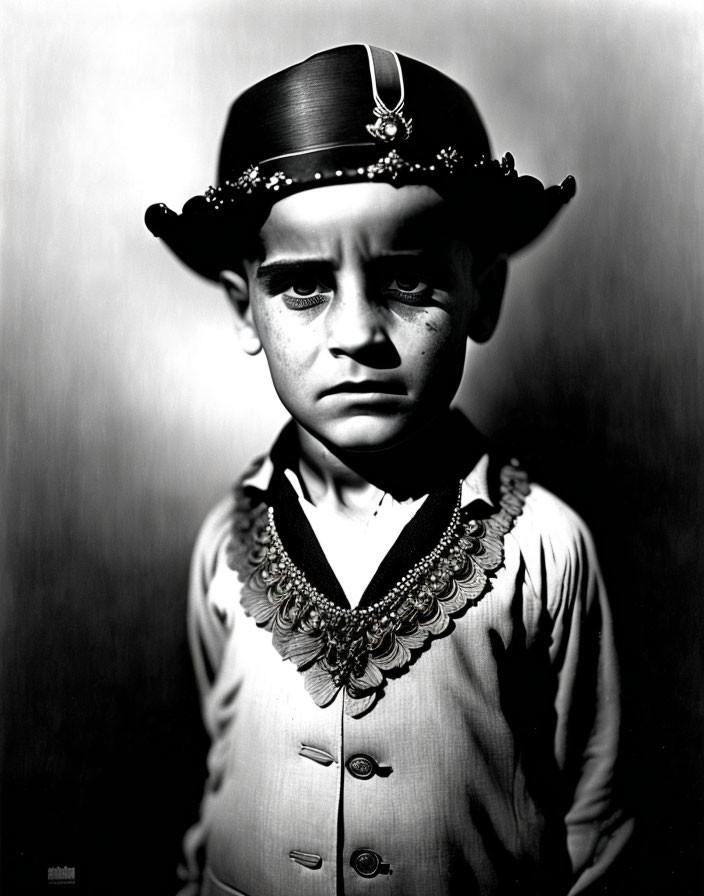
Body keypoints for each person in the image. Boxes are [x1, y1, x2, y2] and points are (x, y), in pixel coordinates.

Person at [145, 44, 632, 896]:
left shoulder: (546, 550)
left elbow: (594, 829)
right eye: (301, 286)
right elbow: (208, 782)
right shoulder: (226, 545)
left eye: (408, 280)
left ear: (482, 294)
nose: (358, 334)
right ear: (243, 306)